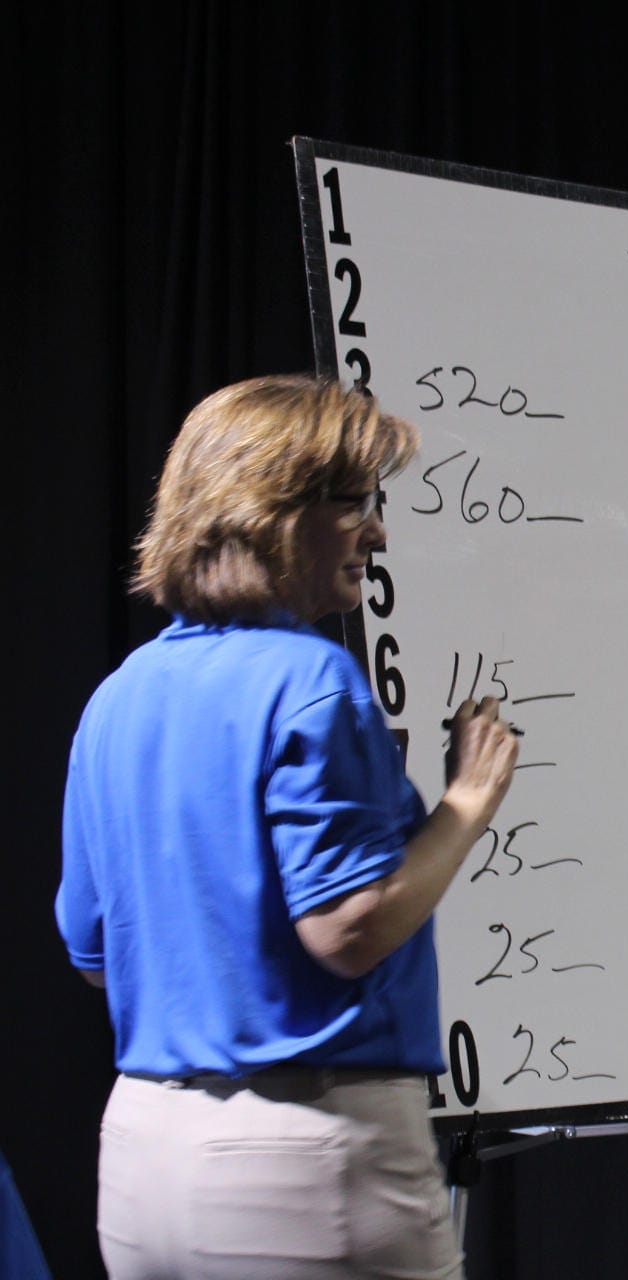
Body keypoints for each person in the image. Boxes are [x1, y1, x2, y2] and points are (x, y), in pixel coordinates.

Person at [56, 374, 517, 1278]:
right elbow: (348, 930)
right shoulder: (312, 680)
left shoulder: (117, 698)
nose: (378, 533)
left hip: (141, 1155)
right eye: (355, 506)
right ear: (270, 510)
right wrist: (467, 803)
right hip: (306, 1161)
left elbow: (93, 950)